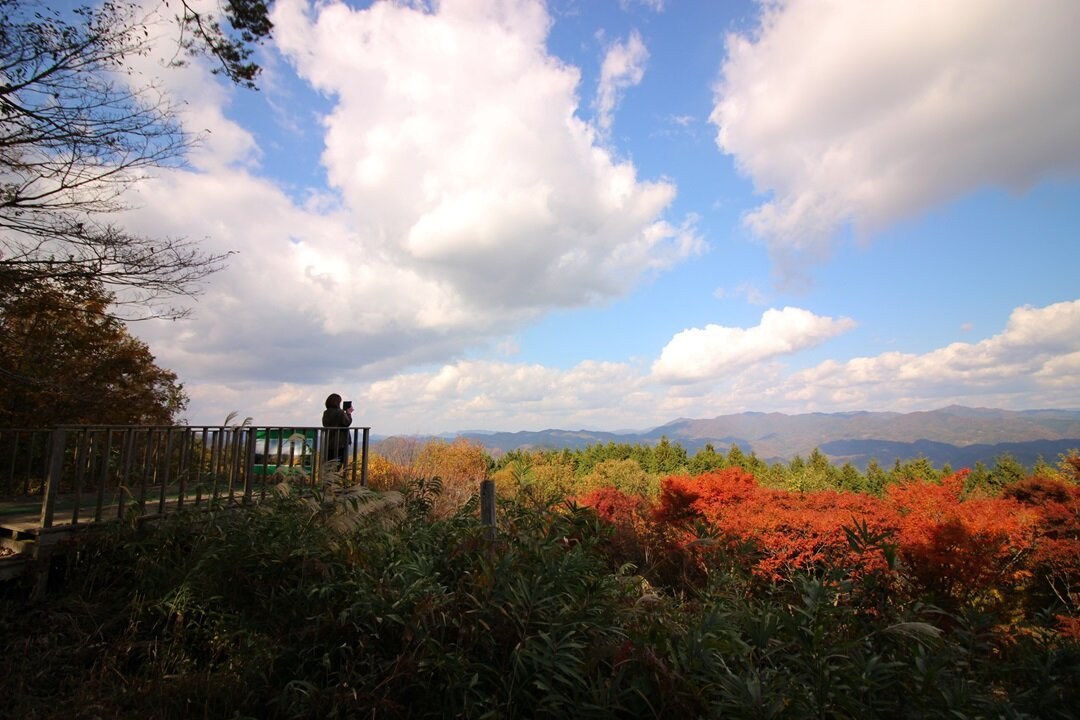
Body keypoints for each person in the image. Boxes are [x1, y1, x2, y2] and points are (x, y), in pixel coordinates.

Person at [321, 393, 353, 469]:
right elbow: (347, 423)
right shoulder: (340, 412)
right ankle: (334, 479)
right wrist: (348, 413)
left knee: (329, 465)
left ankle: (328, 480)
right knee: (337, 466)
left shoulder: (326, 413)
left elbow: (325, 424)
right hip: (340, 443)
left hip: (329, 442)